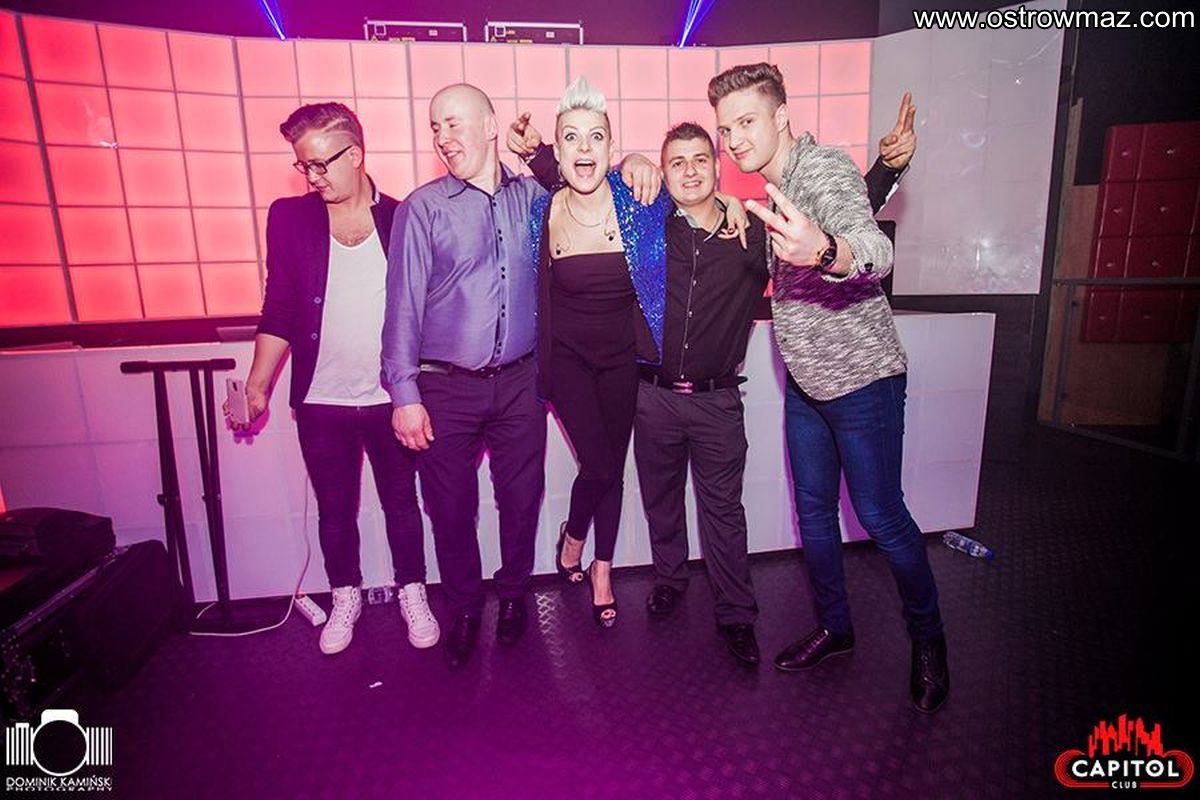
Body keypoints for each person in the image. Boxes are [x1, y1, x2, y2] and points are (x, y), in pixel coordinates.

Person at [511, 99, 912, 664]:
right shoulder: (649, 227)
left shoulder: (750, 232)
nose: (691, 170)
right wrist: (561, 155)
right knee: (662, 504)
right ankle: (669, 581)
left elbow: (829, 230)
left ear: (718, 167)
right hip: (651, 396)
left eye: (701, 159)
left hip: (718, 400)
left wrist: (886, 170)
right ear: (663, 173)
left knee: (723, 512)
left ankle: (736, 614)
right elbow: (584, 181)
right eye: (676, 162)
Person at [383, 84, 660, 669]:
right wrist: (403, 392)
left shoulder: (535, 200)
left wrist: (637, 160)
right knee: (450, 508)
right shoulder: (422, 208)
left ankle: (513, 595)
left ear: (490, 126)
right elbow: (402, 306)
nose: (443, 137)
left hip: (520, 383)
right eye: (435, 127)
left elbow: (589, 178)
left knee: (521, 499)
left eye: (454, 123)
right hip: (445, 386)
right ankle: (464, 608)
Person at [710, 63, 949, 713]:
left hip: (864, 380)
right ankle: (835, 628)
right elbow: (857, 204)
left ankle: (929, 640)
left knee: (882, 517)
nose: (734, 139)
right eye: (726, 128)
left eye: (747, 121)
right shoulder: (778, 184)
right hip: (809, 385)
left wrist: (826, 251)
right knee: (813, 513)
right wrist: (887, 170)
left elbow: (872, 245)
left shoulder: (821, 169)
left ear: (782, 116)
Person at [229, 102, 438, 656]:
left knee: (401, 503)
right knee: (335, 508)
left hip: (391, 397)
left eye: (322, 164)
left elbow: (427, 310)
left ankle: (412, 591)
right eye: (304, 165)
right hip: (321, 399)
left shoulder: (403, 218)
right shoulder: (290, 219)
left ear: (357, 154)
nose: (313, 176)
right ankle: (345, 594)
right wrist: (257, 385)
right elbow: (279, 307)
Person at [527, 77, 673, 628]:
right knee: (602, 463)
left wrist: (647, 163)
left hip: (622, 361)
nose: (584, 147)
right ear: (558, 150)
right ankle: (573, 536)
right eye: (571, 137)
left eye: (596, 137)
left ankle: (601, 567)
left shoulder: (640, 203)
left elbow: (696, 203)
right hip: (566, 361)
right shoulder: (539, 212)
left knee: (611, 466)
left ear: (612, 148)